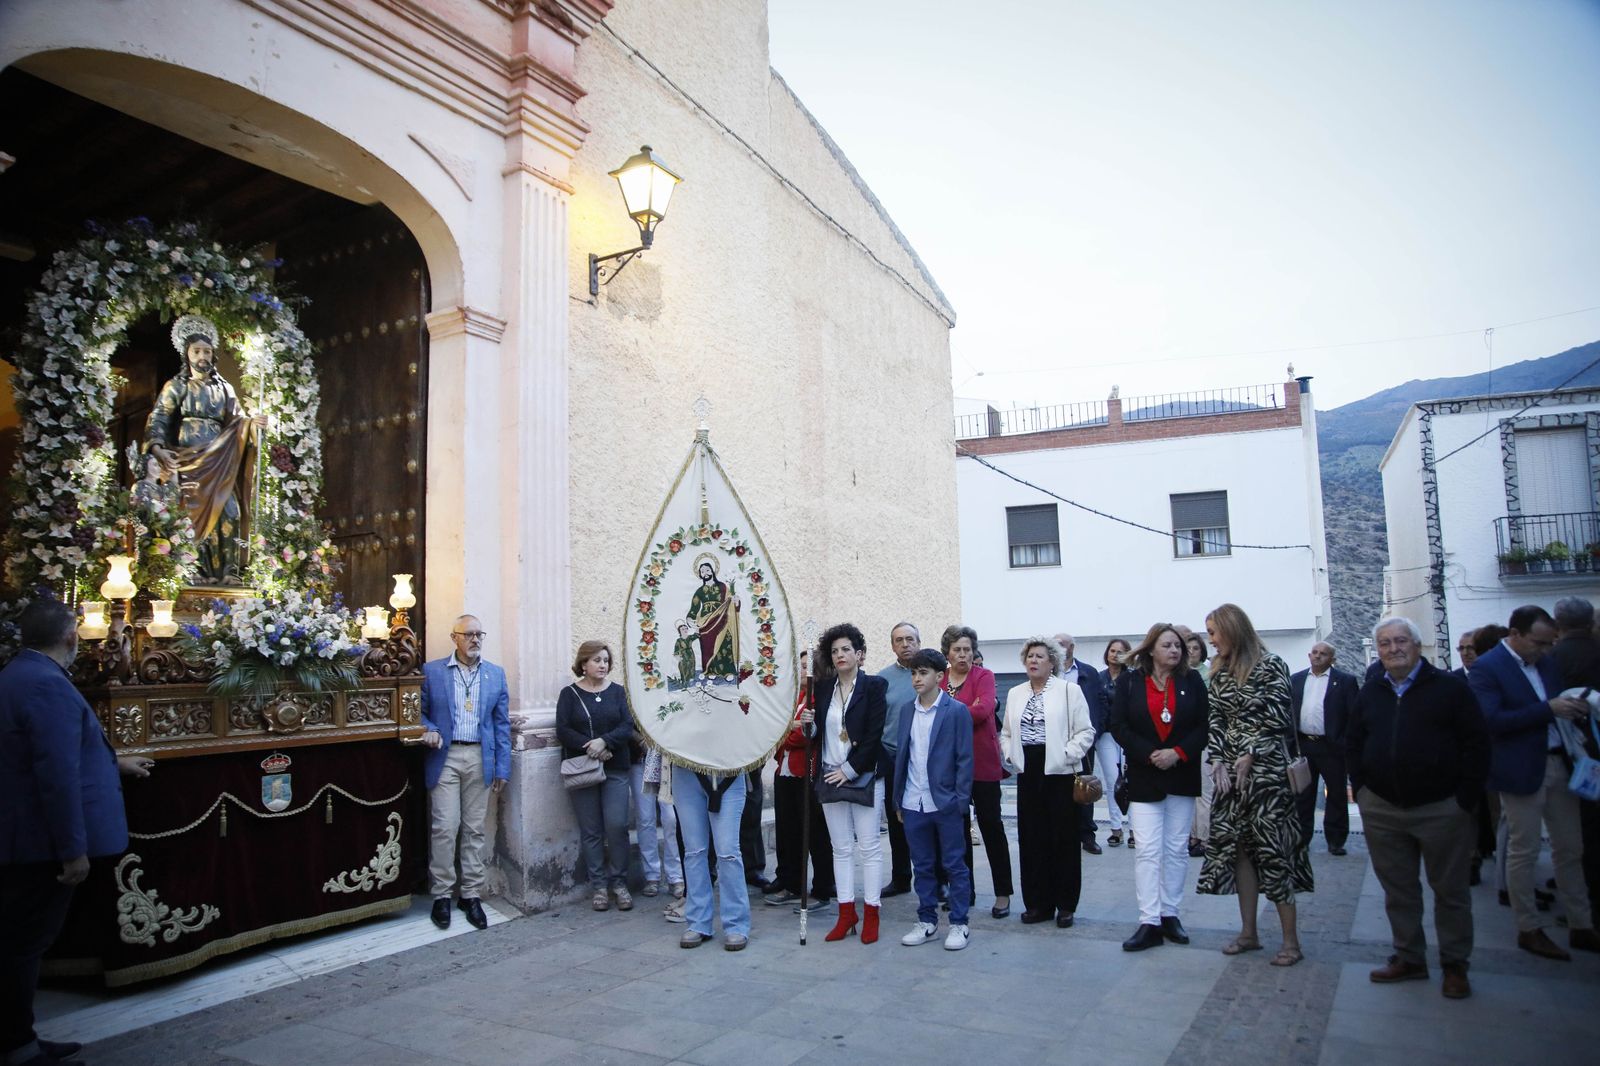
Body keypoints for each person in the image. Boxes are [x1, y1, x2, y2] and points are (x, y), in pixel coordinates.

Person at [1, 598, 152, 1066]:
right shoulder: (47, 685)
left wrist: (113, 762)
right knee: (24, 945)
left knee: (20, 942)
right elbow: (56, 773)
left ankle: (19, 1037)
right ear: (70, 637)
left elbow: (41, 753)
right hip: (39, 843)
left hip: (21, 835)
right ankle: (18, 1047)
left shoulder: (17, 675)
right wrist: (73, 850)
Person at [1348, 617, 1488, 999]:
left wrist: (1464, 800)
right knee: (1399, 890)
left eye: (1401, 641)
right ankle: (1409, 957)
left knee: (1451, 891)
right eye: (1385, 643)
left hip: (1441, 808)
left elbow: (1477, 744)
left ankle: (1455, 965)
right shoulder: (1371, 691)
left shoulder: (1449, 688)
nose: (1393, 649)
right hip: (1383, 808)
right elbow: (1354, 742)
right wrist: (1362, 791)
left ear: (1417, 645)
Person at [1470, 605, 1599, 960]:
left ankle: (1581, 924)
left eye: (1549, 643)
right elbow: (1490, 721)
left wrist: (1572, 708)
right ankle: (1528, 927)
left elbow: (1554, 704)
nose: (1545, 649)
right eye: (1538, 642)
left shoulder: (1546, 663)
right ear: (1515, 635)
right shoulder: (1487, 667)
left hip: (1559, 762)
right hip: (1521, 769)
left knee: (1570, 847)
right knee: (1524, 850)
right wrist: (1549, 709)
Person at [1197, 603, 1311, 967]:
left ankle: (1291, 942)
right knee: (1240, 851)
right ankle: (1249, 933)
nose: (1210, 640)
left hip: (1267, 777)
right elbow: (1216, 719)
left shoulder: (1271, 665)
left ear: (1232, 630)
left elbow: (1279, 716)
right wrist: (1217, 758)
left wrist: (1251, 752)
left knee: (1273, 852)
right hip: (1230, 777)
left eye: (1213, 633)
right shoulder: (1218, 671)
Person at [144, 313, 265, 584]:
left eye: (207, 351)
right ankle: (192, 570)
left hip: (219, 461)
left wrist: (252, 424)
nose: (202, 356)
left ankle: (229, 571)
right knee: (188, 514)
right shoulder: (176, 386)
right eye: (197, 351)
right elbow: (160, 417)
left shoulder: (225, 388)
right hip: (187, 461)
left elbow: (237, 420)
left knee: (230, 511)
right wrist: (157, 447)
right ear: (187, 354)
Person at [1110, 623, 1209, 951]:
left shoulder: (1192, 681)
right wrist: (1149, 753)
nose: (1175, 650)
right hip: (1145, 775)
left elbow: (1203, 726)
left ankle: (1170, 914)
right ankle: (1149, 920)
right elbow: (1118, 726)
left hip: (1181, 774)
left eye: (1178, 645)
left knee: (1176, 849)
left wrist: (1177, 753)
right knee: (1148, 849)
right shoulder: (1129, 682)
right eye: (1167, 645)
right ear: (1151, 649)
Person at [420, 614, 511, 931]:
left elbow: (501, 724)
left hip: (480, 757)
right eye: (469, 634)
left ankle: (470, 894)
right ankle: (442, 894)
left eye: (479, 634)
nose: (475, 640)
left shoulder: (495, 675)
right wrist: (429, 729)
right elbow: (417, 711)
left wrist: (502, 766)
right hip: (445, 756)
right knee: (445, 827)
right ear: (454, 637)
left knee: (474, 829)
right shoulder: (432, 671)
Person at [1000, 636, 1096, 927]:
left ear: (1052, 662)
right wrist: (1010, 754)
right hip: (1028, 771)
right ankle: (1037, 904)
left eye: (1040, 656)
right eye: (1029, 656)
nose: (1033, 660)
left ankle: (1065, 904)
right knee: (1032, 838)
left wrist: (1067, 754)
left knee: (1063, 839)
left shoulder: (1069, 690)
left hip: (1060, 772)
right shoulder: (1015, 693)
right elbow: (1006, 732)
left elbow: (1086, 731)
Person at [894, 649, 976, 950]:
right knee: (922, 865)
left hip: (945, 801)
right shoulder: (907, 711)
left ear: (940, 676)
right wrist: (899, 800)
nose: (917, 678)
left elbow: (965, 759)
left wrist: (960, 801)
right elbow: (902, 755)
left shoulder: (956, 711)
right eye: (914, 673)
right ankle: (927, 921)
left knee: (955, 865)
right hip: (912, 801)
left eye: (923, 672)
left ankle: (959, 923)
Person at [815, 623, 889, 944]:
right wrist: (808, 726)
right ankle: (846, 914)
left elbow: (874, 734)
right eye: (835, 651)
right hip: (830, 774)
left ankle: (871, 913)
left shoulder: (874, 686)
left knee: (869, 847)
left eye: (846, 649)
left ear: (859, 654)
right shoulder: (822, 689)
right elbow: (819, 735)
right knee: (841, 848)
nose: (840, 655)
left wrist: (850, 769)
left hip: (864, 774)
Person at [555, 640, 636, 912]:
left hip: (615, 768)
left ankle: (619, 883)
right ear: (583, 664)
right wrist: (591, 747)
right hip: (583, 769)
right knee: (591, 831)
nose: (603, 665)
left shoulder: (618, 692)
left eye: (605, 660)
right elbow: (563, 729)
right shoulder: (569, 694)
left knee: (617, 825)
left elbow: (627, 725)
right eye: (597, 660)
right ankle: (599, 886)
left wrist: (605, 742)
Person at [940, 625, 1012, 918]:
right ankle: (963, 891)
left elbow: (983, 711)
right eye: (957, 649)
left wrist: (945, 715)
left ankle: (1003, 893)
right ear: (947, 653)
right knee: (956, 832)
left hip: (982, 763)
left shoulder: (985, 676)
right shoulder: (940, 679)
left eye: (967, 649)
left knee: (991, 826)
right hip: (949, 766)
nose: (963, 655)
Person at [765, 651, 835, 909]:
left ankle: (823, 887)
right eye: (801, 665)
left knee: (814, 832)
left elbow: (800, 737)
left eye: (809, 666)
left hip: (807, 771)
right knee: (788, 830)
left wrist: (782, 732)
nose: (804, 670)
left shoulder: (819, 699)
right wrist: (783, 731)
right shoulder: (795, 697)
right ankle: (790, 882)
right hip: (784, 769)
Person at [1549, 597, 1600, 928]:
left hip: (1574, 760)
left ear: (1558, 624)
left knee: (1580, 836)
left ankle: (1587, 907)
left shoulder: (1551, 661)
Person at [671, 762, 750, 950]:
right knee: (694, 851)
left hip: (729, 770)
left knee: (728, 852)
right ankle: (698, 922)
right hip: (686, 770)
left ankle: (736, 924)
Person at [1290, 642, 1358, 856]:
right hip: (1304, 746)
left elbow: (1353, 715)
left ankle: (1336, 840)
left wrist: (1344, 742)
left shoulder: (1345, 681)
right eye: (1315, 653)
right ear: (1309, 655)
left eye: (1323, 654)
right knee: (1303, 795)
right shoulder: (1296, 680)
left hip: (1332, 746)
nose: (1318, 656)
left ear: (1332, 659)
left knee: (1336, 794)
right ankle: (1302, 839)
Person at [877, 622, 921, 897]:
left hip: (924, 758)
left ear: (919, 642)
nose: (905, 644)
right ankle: (901, 877)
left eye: (910, 639)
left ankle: (938, 880)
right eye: (899, 640)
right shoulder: (883, 679)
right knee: (897, 820)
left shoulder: (931, 672)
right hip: (893, 757)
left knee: (928, 819)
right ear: (892, 646)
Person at [1052, 633, 1107, 855]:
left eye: (1062, 644)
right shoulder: (1049, 671)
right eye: (1055, 644)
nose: (1058, 647)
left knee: (1085, 785)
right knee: (1059, 787)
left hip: (1083, 740)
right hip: (1055, 740)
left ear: (1072, 647)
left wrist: (1095, 732)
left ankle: (1087, 835)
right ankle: (1062, 834)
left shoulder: (1088, 672)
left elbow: (1101, 703)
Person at [633, 740, 684, 900]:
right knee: (645, 819)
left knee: (671, 819)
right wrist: (640, 738)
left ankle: (675, 876)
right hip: (639, 758)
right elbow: (626, 725)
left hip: (667, 759)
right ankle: (651, 876)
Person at [1097, 638, 1132, 848]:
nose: (1115, 654)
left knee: (1131, 781)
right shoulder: (1099, 677)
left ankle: (1135, 830)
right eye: (1112, 650)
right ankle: (1116, 828)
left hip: (1128, 734)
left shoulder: (1133, 677)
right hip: (1107, 734)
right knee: (1112, 781)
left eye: (1120, 651)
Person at [1183, 628, 1212, 857]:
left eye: (1196, 648)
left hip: (1204, 737)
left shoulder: (1208, 674)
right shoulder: (1179, 674)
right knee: (1189, 790)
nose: (1192, 651)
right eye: (1188, 648)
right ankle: (1192, 835)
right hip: (1183, 739)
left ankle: (1204, 836)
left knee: (1204, 789)